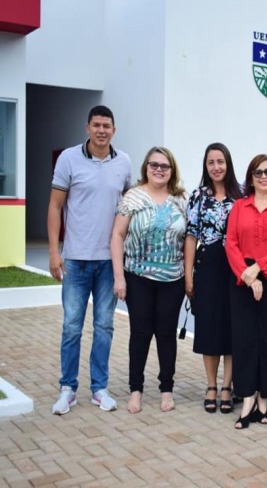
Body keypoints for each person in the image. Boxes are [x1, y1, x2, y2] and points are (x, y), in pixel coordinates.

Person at [48, 105, 132, 415]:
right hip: (75, 260)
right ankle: (67, 388)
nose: (101, 130)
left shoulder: (123, 163)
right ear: (87, 127)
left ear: (114, 129)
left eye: (106, 125)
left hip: (108, 262)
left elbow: (127, 210)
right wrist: (54, 252)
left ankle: (99, 388)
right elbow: (55, 207)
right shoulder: (69, 159)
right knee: (72, 326)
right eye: (96, 125)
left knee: (104, 326)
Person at [110, 146, 188, 414]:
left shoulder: (180, 200)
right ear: (146, 167)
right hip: (138, 278)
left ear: (171, 170)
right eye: (154, 165)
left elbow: (189, 240)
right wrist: (119, 277)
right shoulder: (132, 197)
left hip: (172, 279)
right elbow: (117, 236)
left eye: (164, 166)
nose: (159, 170)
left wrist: (190, 277)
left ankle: (166, 389)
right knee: (140, 333)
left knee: (166, 334)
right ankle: (136, 390)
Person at [225, 154, 267, 429]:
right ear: (250, 178)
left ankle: (263, 398)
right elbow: (230, 243)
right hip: (242, 278)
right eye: (258, 173)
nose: (264, 176)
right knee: (244, 340)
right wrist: (248, 274)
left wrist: (260, 270)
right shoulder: (240, 207)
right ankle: (246, 400)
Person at [184, 143, 242, 414]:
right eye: (211, 162)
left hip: (234, 269)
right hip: (206, 268)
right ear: (206, 167)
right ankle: (210, 385)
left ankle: (227, 386)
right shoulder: (198, 196)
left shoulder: (240, 196)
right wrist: (188, 275)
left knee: (232, 329)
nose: (216, 167)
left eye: (220, 161)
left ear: (228, 164)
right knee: (208, 327)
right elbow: (191, 236)